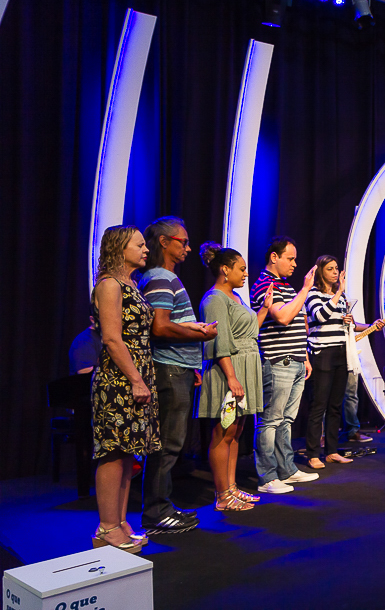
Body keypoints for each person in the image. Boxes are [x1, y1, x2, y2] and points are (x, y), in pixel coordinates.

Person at [139, 217, 217, 535]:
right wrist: (198, 333)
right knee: (167, 444)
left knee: (172, 443)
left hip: (179, 368)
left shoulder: (167, 277)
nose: (187, 247)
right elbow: (159, 327)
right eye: (182, 241)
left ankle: (162, 507)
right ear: (164, 242)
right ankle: (156, 512)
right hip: (169, 368)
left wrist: (192, 362)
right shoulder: (160, 277)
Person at [89, 225, 160, 553]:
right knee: (113, 451)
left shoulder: (131, 284)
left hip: (136, 375)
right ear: (120, 249)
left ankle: (119, 522)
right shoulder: (109, 285)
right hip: (118, 380)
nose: (146, 249)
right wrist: (135, 378)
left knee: (128, 452)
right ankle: (105, 528)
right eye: (140, 244)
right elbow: (112, 338)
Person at [197, 244, 269, 511]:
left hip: (245, 368)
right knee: (223, 432)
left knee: (235, 432)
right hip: (229, 371)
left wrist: (263, 309)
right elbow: (220, 342)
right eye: (241, 269)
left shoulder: (236, 298)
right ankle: (222, 496)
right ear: (225, 270)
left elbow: (249, 331)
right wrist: (232, 378)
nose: (246, 274)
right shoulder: (216, 299)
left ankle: (232, 488)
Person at [251, 237, 319, 495]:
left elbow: (300, 322)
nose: (295, 263)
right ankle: (266, 477)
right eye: (290, 258)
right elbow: (282, 317)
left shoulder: (285, 286)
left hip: (296, 361)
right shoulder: (264, 284)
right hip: (278, 361)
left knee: (286, 420)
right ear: (274, 257)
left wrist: (305, 356)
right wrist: (305, 289)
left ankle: (287, 470)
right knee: (270, 421)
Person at [304, 255, 383, 468]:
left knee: (335, 405)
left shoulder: (340, 297)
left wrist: (350, 321)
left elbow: (344, 321)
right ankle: (313, 453)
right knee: (318, 405)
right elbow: (319, 317)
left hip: (341, 351)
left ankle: (331, 452)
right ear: (321, 271)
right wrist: (338, 293)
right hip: (322, 353)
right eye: (330, 269)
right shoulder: (312, 294)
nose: (335, 272)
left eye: (336, 268)